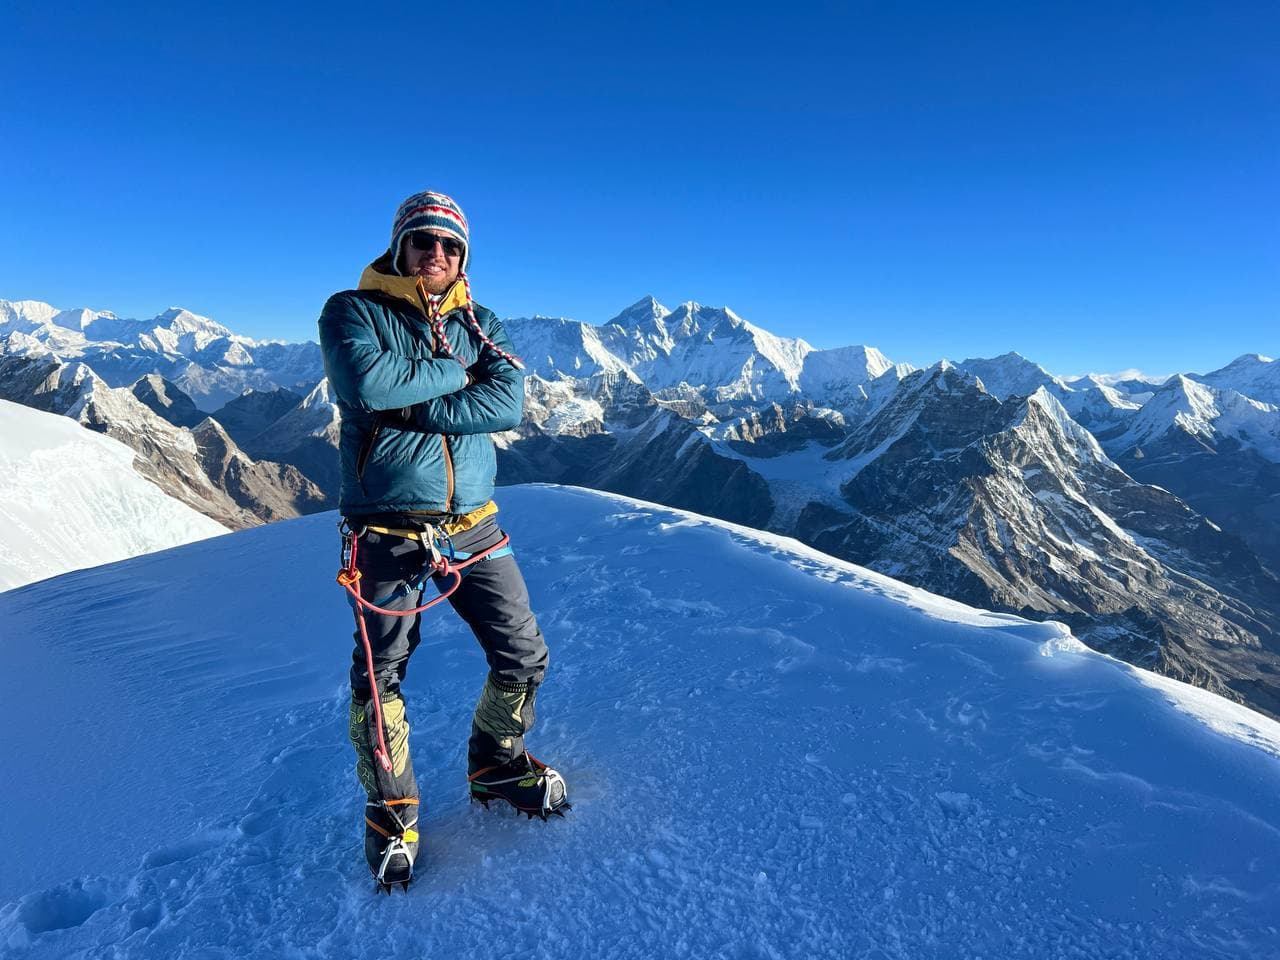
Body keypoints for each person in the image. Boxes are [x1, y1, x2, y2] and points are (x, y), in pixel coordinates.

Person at [318, 190, 568, 890]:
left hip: (473, 524)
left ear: (464, 256)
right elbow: (365, 381)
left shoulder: (479, 321)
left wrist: (408, 393)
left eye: (451, 246)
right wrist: (457, 374)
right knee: (380, 674)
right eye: (424, 241)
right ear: (400, 247)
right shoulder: (352, 311)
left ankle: (496, 762)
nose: (437, 254)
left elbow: (508, 402)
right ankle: (391, 811)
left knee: (522, 653)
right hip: (385, 531)